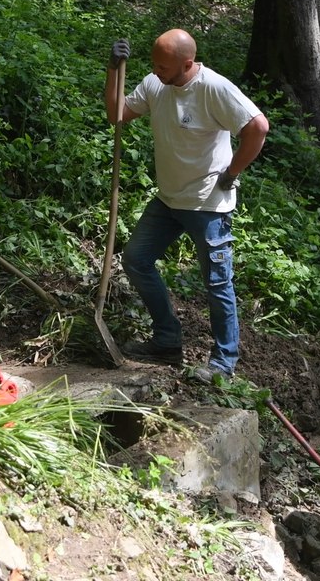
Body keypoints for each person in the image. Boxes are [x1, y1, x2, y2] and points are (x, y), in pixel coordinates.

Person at [104, 29, 269, 383]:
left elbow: (257, 127)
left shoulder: (214, 88)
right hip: (168, 199)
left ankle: (223, 363)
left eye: (163, 66)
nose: (156, 71)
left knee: (217, 282)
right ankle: (167, 340)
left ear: (187, 63)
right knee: (136, 260)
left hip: (208, 203)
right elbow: (117, 114)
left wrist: (232, 172)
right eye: (154, 64)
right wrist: (113, 69)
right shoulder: (155, 84)